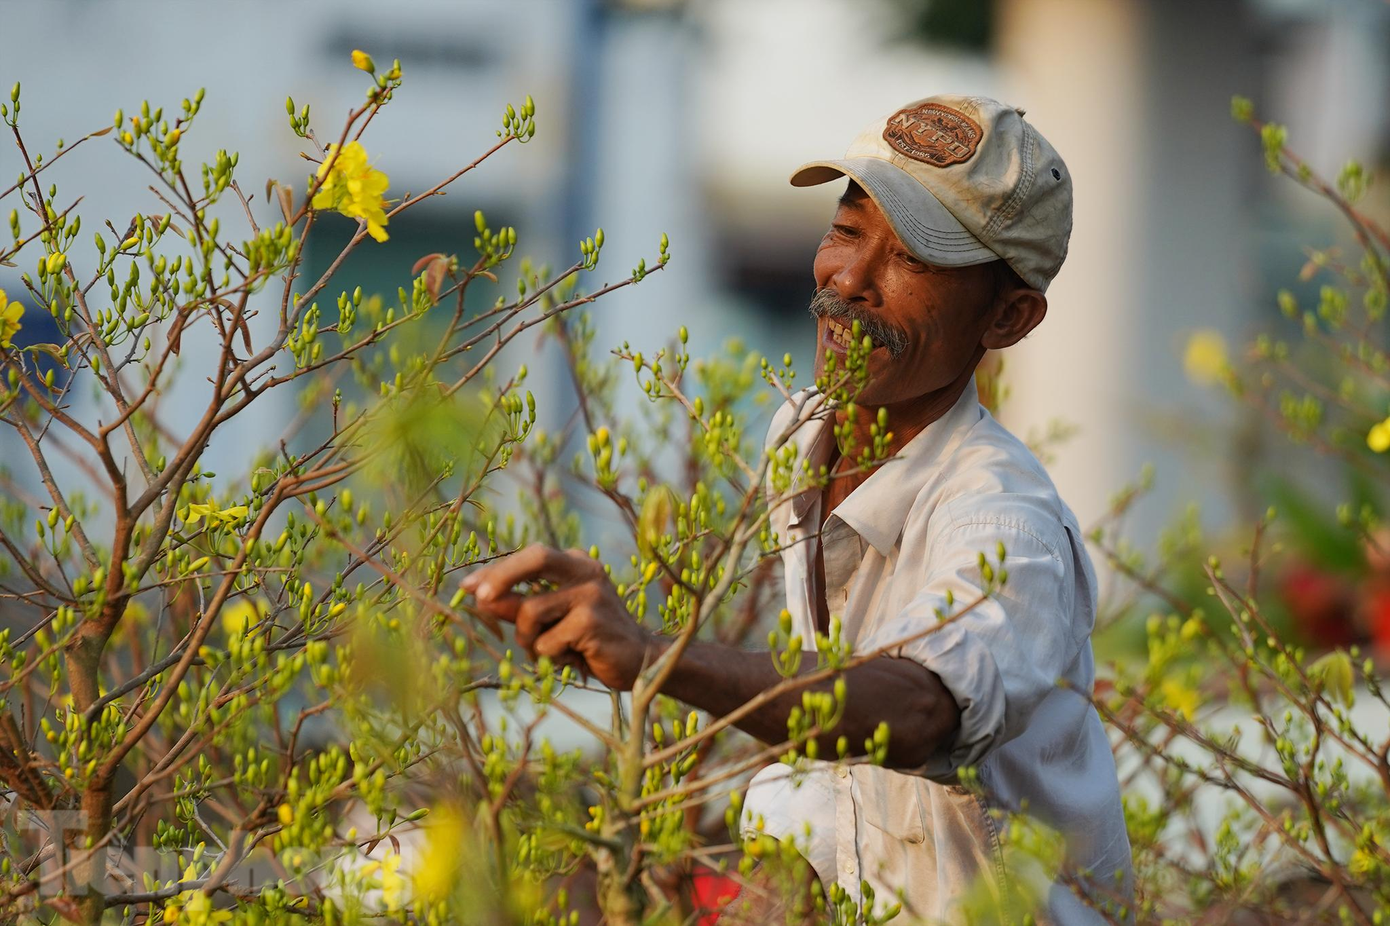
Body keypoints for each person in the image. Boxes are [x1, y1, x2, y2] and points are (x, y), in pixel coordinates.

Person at [460, 94, 1134, 924]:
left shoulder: (1003, 521)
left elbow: (915, 708)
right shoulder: (804, 431)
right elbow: (836, 741)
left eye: (915, 257)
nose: (848, 280)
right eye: (848, 231)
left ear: (1008, 316)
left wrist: (653, 653)